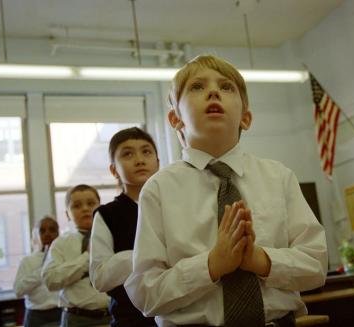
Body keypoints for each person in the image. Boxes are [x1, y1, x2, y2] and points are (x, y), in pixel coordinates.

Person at [124, 55, 328, 327]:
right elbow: (145, 293)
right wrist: (211, 265)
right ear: (176, 119)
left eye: (226, 87)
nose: (213, 92)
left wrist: (261, 260)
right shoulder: (158, 190)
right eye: (197, 87)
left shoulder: (279, 177)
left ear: (245, 117)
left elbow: (315, 266)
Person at [90, 127, 159, 327]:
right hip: (129, 320)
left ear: (158, 162)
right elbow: (100, 276)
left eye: (146, 151)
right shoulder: (107, 214)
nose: (139, 160)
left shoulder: (175, 206)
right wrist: (146, 254)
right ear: (113, 170)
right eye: (127, 154)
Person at [42, 184, 110, 327]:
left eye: (91, 203)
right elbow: (50, 280)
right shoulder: (60, 244)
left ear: (100, 207)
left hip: (111, 316)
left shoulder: (113, 237)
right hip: (76, 318)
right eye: (77, 206)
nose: (85, 209)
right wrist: (87, 258)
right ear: (67, 214)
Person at [14, 216, 61, 327]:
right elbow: (18, 291)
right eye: (42, 230)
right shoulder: (27, 261)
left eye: (52, 230)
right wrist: (43, 270)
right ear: (36, 235)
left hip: (61, 313)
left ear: (58, 234)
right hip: (36, 316)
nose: (47, 234)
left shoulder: (64, 258)